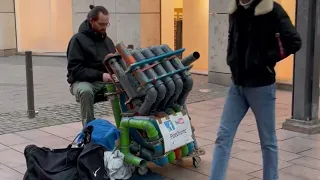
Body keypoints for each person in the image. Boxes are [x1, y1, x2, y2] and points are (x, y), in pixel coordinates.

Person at [209, 0, 301, 180]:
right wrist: (231, 60)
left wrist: (265, 60)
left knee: (268, 142)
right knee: (223, 136)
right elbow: (232, 38)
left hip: (261, 87)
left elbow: (294, 41)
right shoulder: (235, 10)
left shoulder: (272, 10)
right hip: (237, 85)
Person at [66, 5, 116, 127]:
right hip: (82, 81)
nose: (104, 28)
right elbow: (75, 70)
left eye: (106, 24)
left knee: (125, 87)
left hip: (103, 81)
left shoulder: (107, 41)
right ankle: (88, 130)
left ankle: (125, 126)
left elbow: (113, 64)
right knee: (86, 91)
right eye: (101, 24)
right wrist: (101, 75)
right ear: (92, 21)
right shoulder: (77, 39)